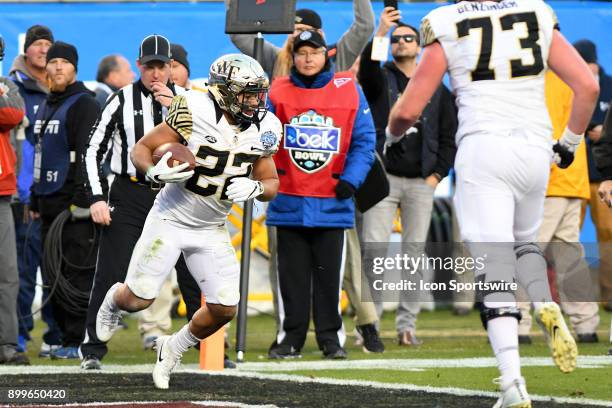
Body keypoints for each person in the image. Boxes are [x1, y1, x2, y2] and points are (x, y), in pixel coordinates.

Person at [387, 1, 598, 406]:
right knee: (524, 243)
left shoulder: (447, 20)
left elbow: (410, 108)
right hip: (534, 147)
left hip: (484, 147)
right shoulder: (535, 12)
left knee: (494, 266)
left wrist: (392, 135)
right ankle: (544, 302)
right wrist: (569, 143)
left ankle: (512, 382)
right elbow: (587, 87)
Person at [95, 53, 282, 389]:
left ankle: (173, 346)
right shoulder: (194, 108)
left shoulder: (266, 126)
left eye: (258, 93)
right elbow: (142, 148)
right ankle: (114, 299)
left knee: (225, 308)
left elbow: (271, 184)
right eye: (247, 94)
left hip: (212, 227)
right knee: (139, 300)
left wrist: (256, 187)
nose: (255, 101)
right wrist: (153, 171)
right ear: (225, 91)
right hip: (170, 217)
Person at [81, 34, 214, 370]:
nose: (156, 73)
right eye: (149, 66)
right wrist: (97, 196)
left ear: (172, 67)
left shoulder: (189, 100)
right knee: (112, 271)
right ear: (139, 66)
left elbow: (211, 147)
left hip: (179, 195)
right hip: (131, 192)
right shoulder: (120, 99)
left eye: (162, 66)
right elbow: (93, 148)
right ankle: (92, 351)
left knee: (194, 271)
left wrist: (176, 109)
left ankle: (207, 351)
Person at [266, 30, 375, 360]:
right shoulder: (277, 91)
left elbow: (364, 142)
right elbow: (261, 140)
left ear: (326, 54)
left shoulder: (349, 90)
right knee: (291, 280)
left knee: (330, 280)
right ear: (293, 57)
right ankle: (290, 339)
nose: (308, 58)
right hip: (288, 200)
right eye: (301, 53)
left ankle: (331, 339)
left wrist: (352, 181)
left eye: (314, 52)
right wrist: (267, 178)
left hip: (332, 201)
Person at [359, 9, 457, 346]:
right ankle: (368, 324)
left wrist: (437, 175)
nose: (402, 42)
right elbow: (368, 68)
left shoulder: (438, 88)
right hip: (383, 179)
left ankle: (406, 326)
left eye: (408, 38)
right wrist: (381, 33)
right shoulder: (380, 78)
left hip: (420, 181)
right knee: (373, 252)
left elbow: (449, 136)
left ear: (420, 45)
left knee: (415, 254)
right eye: (397, 39)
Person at [29, 41, 101, 359]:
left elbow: (90, 154)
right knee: (52, 272)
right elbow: (42, 157)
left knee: (76, 273)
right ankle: (60, 336)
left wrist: (81, 198)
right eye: (53, 62)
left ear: (74, 68)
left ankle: (78, 340)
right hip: (47, 202)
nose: (58, 67)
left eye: (64, 62)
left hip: (73, 206)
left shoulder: (84, 103)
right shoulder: (48, 104)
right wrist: (34, 198)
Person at [517, 71, 599, 344]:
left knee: (526, 252)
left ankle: (517, 322)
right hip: (574, 178)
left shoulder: (536, 80)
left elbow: (538, 130)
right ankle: (586, 325)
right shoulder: (572, 77)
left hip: (548, 179)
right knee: (570, 256)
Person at [8, 24, 62, 357]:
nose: (43, 50)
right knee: (24, 273)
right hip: (24, 197)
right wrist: (26, 191)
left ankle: (58, 337)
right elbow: (21, 150)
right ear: (26, 49)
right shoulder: (11, 89)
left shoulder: (67, 90)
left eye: (48, 45)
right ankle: (20, 335)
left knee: (58, 269)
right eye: (38, 44)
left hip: (58, 195)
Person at [227, 2, 374, 80]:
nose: (297, 35)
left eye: (304, 30)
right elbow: (240, 34)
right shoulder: (277, 58)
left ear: (320, 34)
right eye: (294, 30)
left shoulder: (336, 56)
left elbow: (365, 27)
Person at [573, 39, 612, 313]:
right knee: (567, 239)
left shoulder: (610, 85)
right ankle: (572, 299)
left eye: (585, 62)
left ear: (595, 62)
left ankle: (609, 296)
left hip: (603, 176)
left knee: (609, 235)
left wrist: (605, 134)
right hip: (574, 174)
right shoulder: (570, 86)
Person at [0, 34, 29, 366]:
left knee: (7, 274)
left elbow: (13, 113)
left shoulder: (7, 84)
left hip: (2, 194)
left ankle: (6, 344)